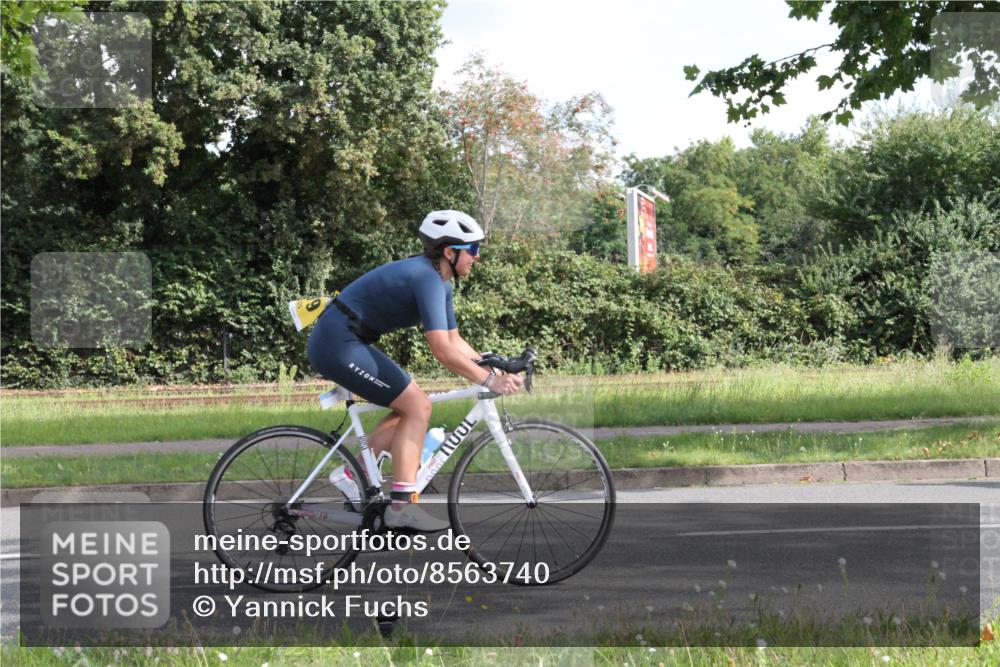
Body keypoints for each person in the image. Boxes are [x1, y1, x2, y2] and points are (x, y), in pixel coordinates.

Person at [307, 210, 523, 531]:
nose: (477, 257)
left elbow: (455, 340)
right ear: (450, 252)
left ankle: (354, 475)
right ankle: (401, 507)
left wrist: (493, 368)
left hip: (344, 340)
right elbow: (442, 351)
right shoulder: (426, 278)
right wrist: (488, 380)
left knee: (410, 402)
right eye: (473, 249)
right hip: (338, 343)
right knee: (417, 406)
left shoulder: (439, 282)